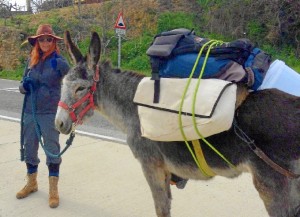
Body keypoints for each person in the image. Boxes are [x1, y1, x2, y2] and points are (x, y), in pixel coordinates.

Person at [16, 24, 70, 208]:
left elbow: (72, 80)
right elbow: (21, 86)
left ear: (54, 41)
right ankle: (32, 183)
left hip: (49, 113)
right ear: (37, 42)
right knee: (29, 148)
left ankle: (53, 190)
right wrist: (25, 86)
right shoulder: (31, 61)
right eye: (42, 39)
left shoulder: (59, 61)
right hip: (30, 112)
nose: (45, 42)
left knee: (52, 150)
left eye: (49, 39)